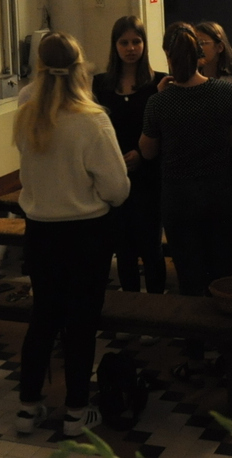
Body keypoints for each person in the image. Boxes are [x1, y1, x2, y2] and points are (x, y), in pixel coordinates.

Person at [13, 32, 130, 437]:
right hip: (85, 235)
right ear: (81, 68)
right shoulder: (91, 120)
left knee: (43, 319)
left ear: (39, 69)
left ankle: (28, 407)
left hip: (40, 232)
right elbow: (118, 188)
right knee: (80, 323)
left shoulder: (26, 116)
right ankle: (77, 412)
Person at [141, 23, 232, 383]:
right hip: (218, 193)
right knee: (221, 273)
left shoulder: (160, 101)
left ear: (169, 58)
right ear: (200, 56)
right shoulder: (223, 92)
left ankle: (196, 355)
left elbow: (147, 151)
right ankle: (228, 351)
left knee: (189, 277)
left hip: (179, 198)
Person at [91, 15, 167, 301]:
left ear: (145, 44)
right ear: (115, 46)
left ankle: (156, 305)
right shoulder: (101, 84)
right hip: (114, 173)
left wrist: (142, 155)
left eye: (136, 41)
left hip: (148, 174)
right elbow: (96, 130)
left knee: (150, 247)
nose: (131, 48)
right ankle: (130, 306)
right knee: (123, 248)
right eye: (124, 42)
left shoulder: (158, 82)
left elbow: (164, 130)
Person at [195, 21, 232, 103]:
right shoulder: (189, 82)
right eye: (193, 43)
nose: (196, 48)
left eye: (201, 43)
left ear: (220, 47)